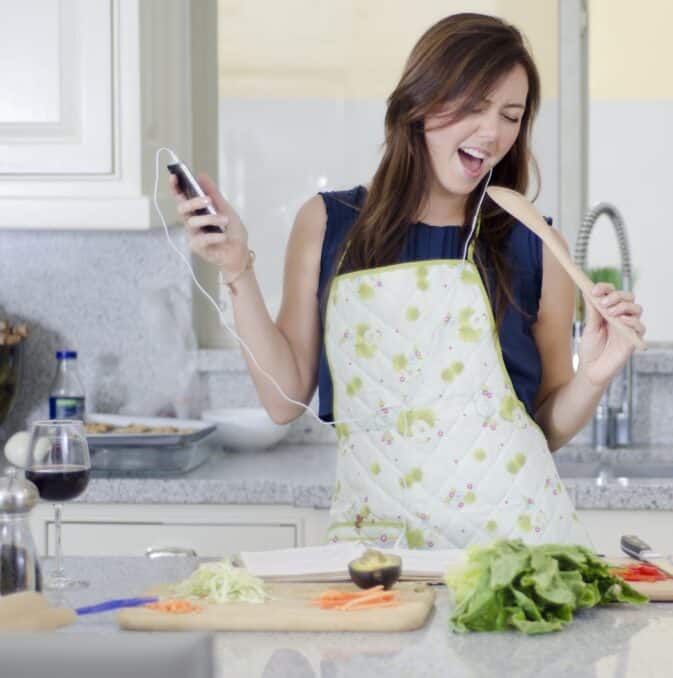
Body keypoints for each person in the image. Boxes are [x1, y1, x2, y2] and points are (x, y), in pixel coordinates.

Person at [172, 13, 645, 549]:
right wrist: (237, 270)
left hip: (513, 556)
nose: (492, 134)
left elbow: (546, 429)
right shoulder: (330, 224)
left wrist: (594, 377)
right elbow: (284, 399)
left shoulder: (535, 242)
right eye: (473, 106)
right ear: (418, 103)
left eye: (510, 116)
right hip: (378, 554)